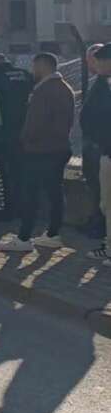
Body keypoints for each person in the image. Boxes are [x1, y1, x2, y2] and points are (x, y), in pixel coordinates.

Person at [0, 53, 75, 252]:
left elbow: (34, 123)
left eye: (34, 66)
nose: (32, 71)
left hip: (41, 150)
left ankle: (23, 238)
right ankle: (53, 233)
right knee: (55, 192)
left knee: (30, 193)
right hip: (59, 147)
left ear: (42, 66)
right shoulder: (65, 88)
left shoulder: (44, 90)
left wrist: (24, 140)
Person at [0, 54, 33, 218]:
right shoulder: (26, 75)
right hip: (25, 131)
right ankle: (24, 208)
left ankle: (4, 208)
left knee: (0, 172)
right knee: (21, 171)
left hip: (2, 132)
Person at [84, 45, 111, 264]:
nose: (98, 65)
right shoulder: (102, 83)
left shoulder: (104, 85)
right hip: (105, 150)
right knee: (106, 204)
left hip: (107, 150)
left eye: (102, 61)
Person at [81, 43, 106, 239]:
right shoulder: (97, 81)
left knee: (102, 189)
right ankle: (97, 221)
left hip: (100, 145)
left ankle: (101, 226)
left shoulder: (104, 83)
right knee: (95, 186)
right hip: (93, 144)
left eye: (91, 59)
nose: (89, 63)